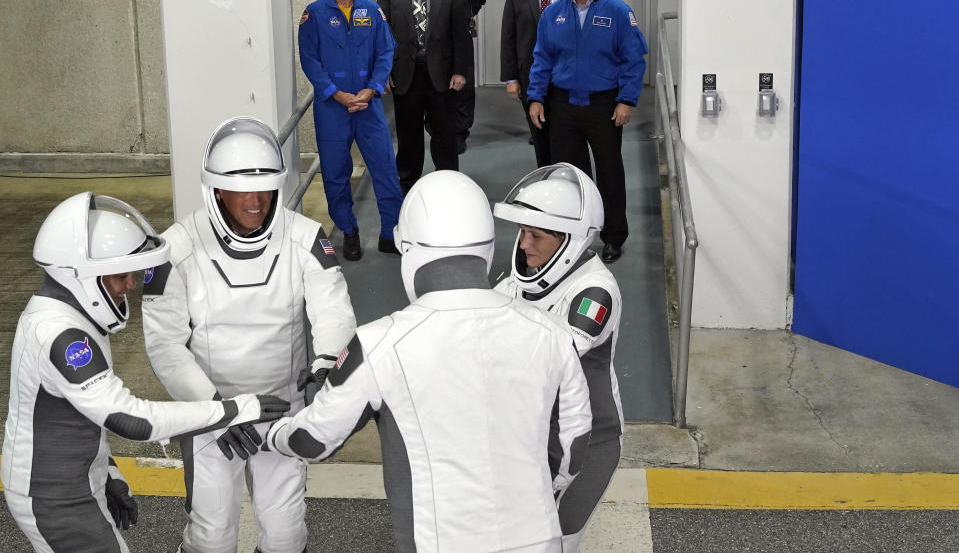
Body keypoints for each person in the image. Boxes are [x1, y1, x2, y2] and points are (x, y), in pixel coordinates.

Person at [265, 171, 593, 552]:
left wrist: (269, 433)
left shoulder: (377, 344)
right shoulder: (553, 333)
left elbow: (313, 441)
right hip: (539, 538)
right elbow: (573, 445)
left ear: (410, 248)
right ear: (487, 246)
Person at [2, 192, 289, 553]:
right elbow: (132, 419)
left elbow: (70, 414)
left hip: (68, 485)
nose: (131, 285)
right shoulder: (63, 337)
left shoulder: (69, 316)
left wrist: (105, 473)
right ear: (82, 276)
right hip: (56, 498)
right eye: (120, 275)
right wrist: (236, 409)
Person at [142, 118, 357, 553]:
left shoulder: (304, 237)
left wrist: (327, 357)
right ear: (217, 189)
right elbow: (164, 344)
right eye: (242, 189)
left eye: (266, 188)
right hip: (210, 417)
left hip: (281, 411)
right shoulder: (175, 250)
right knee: (212, 535)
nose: (257, 201)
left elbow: (332, 306)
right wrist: (215, 411)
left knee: (286, 536)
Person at [494, 163, 624, 552]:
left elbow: (548, 360)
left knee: (554, 545)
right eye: (521, 232)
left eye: (535, 235)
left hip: (588, 445)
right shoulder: (515, 280)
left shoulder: (595, 292)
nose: (524, 245)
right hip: (529, 439)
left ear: (569, 241)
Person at [527, 0, 648, 264]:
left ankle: (613, 237)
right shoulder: (553, 14)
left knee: (609, 172)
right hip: (562, 105)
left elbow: (633, 61)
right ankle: (573, 236)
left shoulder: (618, 12)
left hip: (604, 106)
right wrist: (536, 97)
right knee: (569, 177)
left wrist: (626, 100)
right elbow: (541, 59)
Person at [298, 0, 404, 261]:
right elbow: (309, 60)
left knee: (385, 169)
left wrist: (372, 89)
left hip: (367, 105)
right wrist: (335, 92)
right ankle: (349, 231)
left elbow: (386, 53)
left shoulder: (372, 12)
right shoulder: (314, 14)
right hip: (333, 107)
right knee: (335, 173)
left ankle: (390, 233)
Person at [377, 0, 473, 194]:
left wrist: (460, 71)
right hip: (405, 74)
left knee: (444, 135)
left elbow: (460, 33)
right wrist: (383, 73)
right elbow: (381, 36)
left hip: (442, 74)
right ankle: (407, 186)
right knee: (408, 136)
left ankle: (448, 184)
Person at [501, 0, 569, 167]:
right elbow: (508, 37)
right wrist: (511, 78)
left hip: (567, 77)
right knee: (540, 137)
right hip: (530, 77)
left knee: (567, 137)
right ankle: (546, 181)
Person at [431, 0, 486, 154]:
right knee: (435, 84)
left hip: (460, 38)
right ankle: (437, 131)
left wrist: (463, 17)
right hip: (432, 40)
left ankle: (460, 132)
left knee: (462, 85)